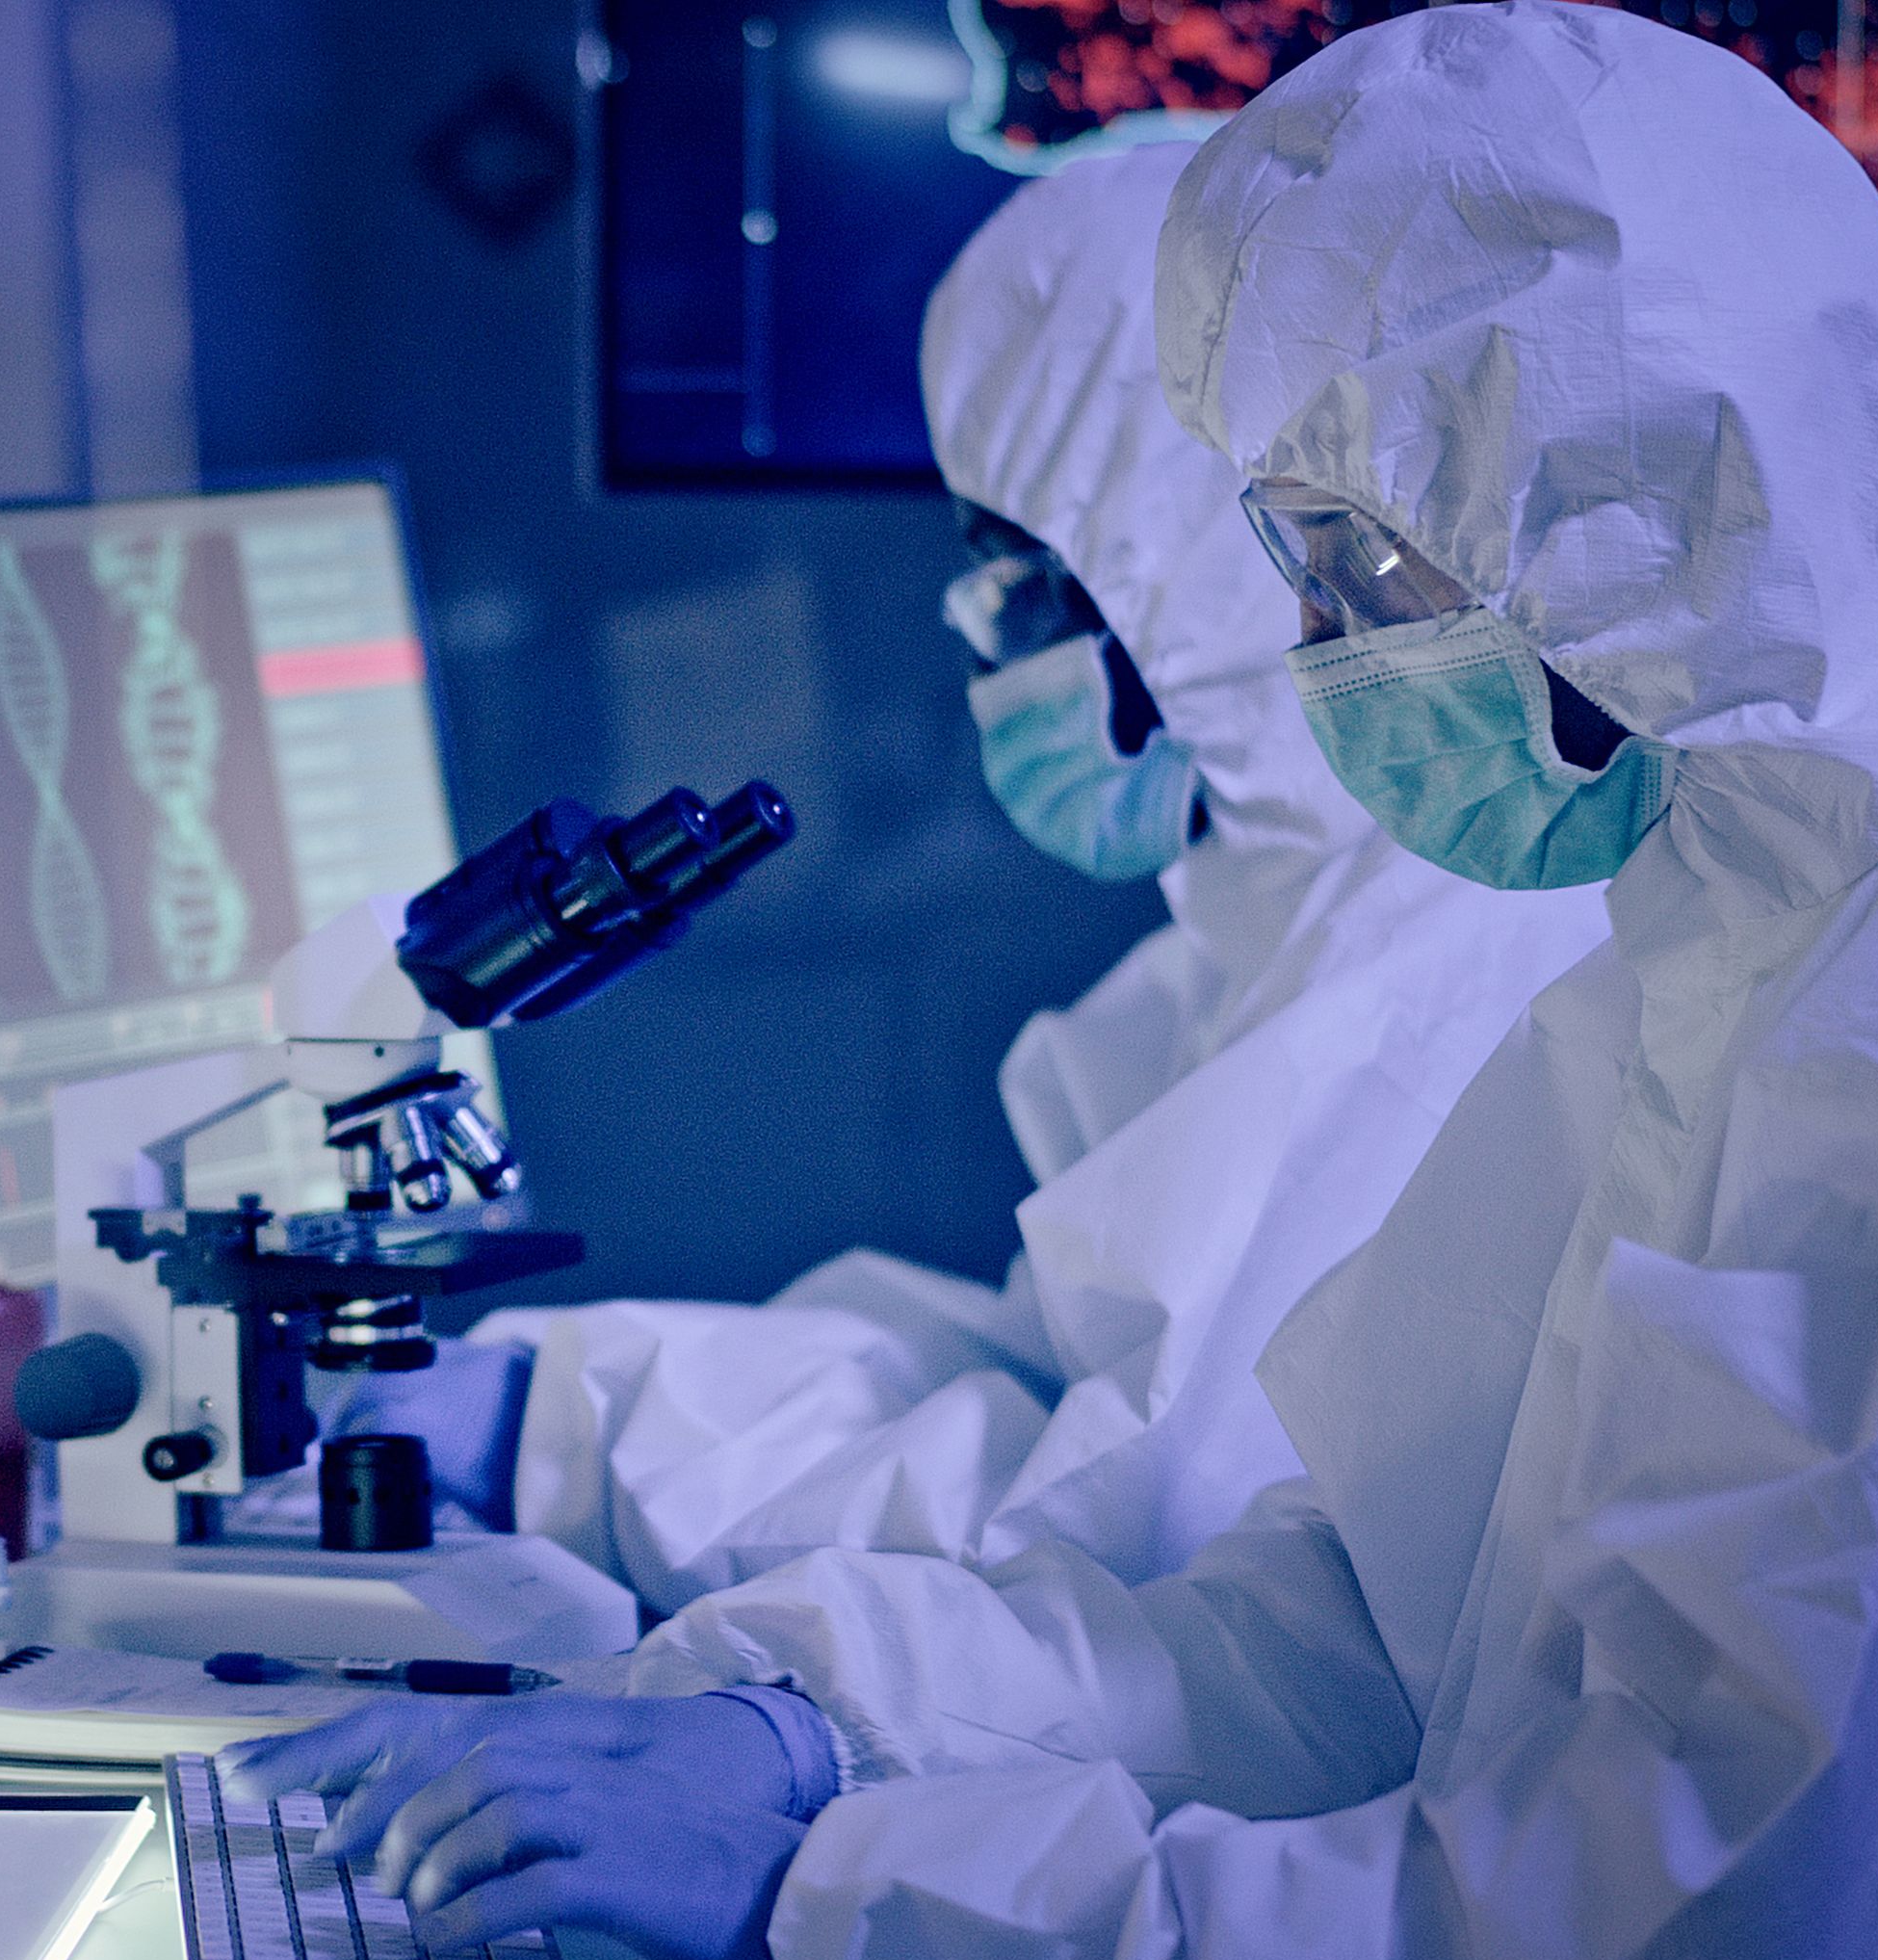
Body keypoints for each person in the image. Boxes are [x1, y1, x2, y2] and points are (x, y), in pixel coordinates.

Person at [229, 7, 1878, 1960]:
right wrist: (807, 1740)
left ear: (1623, 503)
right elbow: (1360, 1615)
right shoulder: (1733, 929)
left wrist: (838, 1895)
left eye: (1354, 567)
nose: (1322, 656)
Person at [364, 138, 1604, 1616]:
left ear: (1179, 562)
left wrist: (596, 1485)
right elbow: (1029, 1367)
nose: (988, 647)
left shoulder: (1429, 963)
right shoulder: (1262, 922)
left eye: (1019, 580)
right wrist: (557, 1406)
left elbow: (1112, 1544)